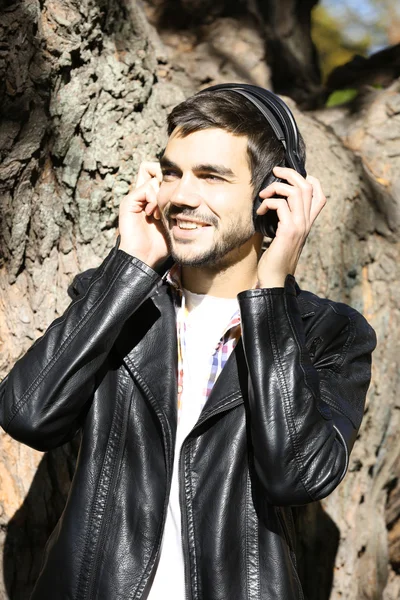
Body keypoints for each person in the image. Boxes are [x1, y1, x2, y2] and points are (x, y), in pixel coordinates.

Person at [0, 85, 376, 600]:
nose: (180, 195)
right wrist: (129, 268)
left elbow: (296, 475)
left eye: (211, 177)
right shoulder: (118, 300)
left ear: (273, 198)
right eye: (172, 172)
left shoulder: (329, 333)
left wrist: (268, 298)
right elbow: (27, 414)